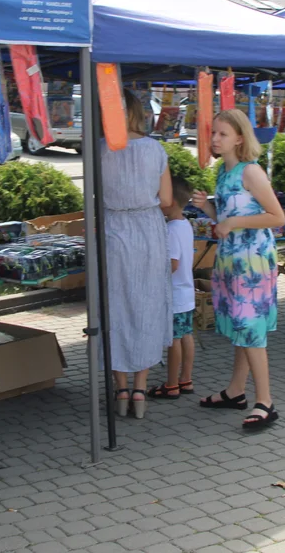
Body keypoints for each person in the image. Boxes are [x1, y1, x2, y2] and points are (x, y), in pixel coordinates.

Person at [194, 110, 285, 430]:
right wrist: (206, 207)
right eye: (213, 133)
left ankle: (266, 402)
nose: (215, 139)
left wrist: (233, 222)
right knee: (239, 326)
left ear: (239, 138)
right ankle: (236, 392)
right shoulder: (224, 172)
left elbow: (277, 217)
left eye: (221, 134)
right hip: (233, 259)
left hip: (253, 262)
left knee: (249, 328)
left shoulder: (251, 172)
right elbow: (227, 214)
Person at [103, 92, 172, 420]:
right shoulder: (154, 149)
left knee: (116, 307)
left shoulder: (100, 148)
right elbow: (169, 199)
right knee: (146, 304)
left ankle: (121, 389)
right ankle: (141, 388)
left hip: (114, 229)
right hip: (147, 229)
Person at [148, 176, 196, 400]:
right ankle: (186, 378)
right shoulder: (185, 224)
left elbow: (172, 264)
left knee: (173, 340)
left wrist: (153, 276)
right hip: (186, 293)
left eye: (161, 197)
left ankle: (172, 383)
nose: (158, 201)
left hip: (175, 294)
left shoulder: (171, 230)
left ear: (172, 202)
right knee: (186, 335)